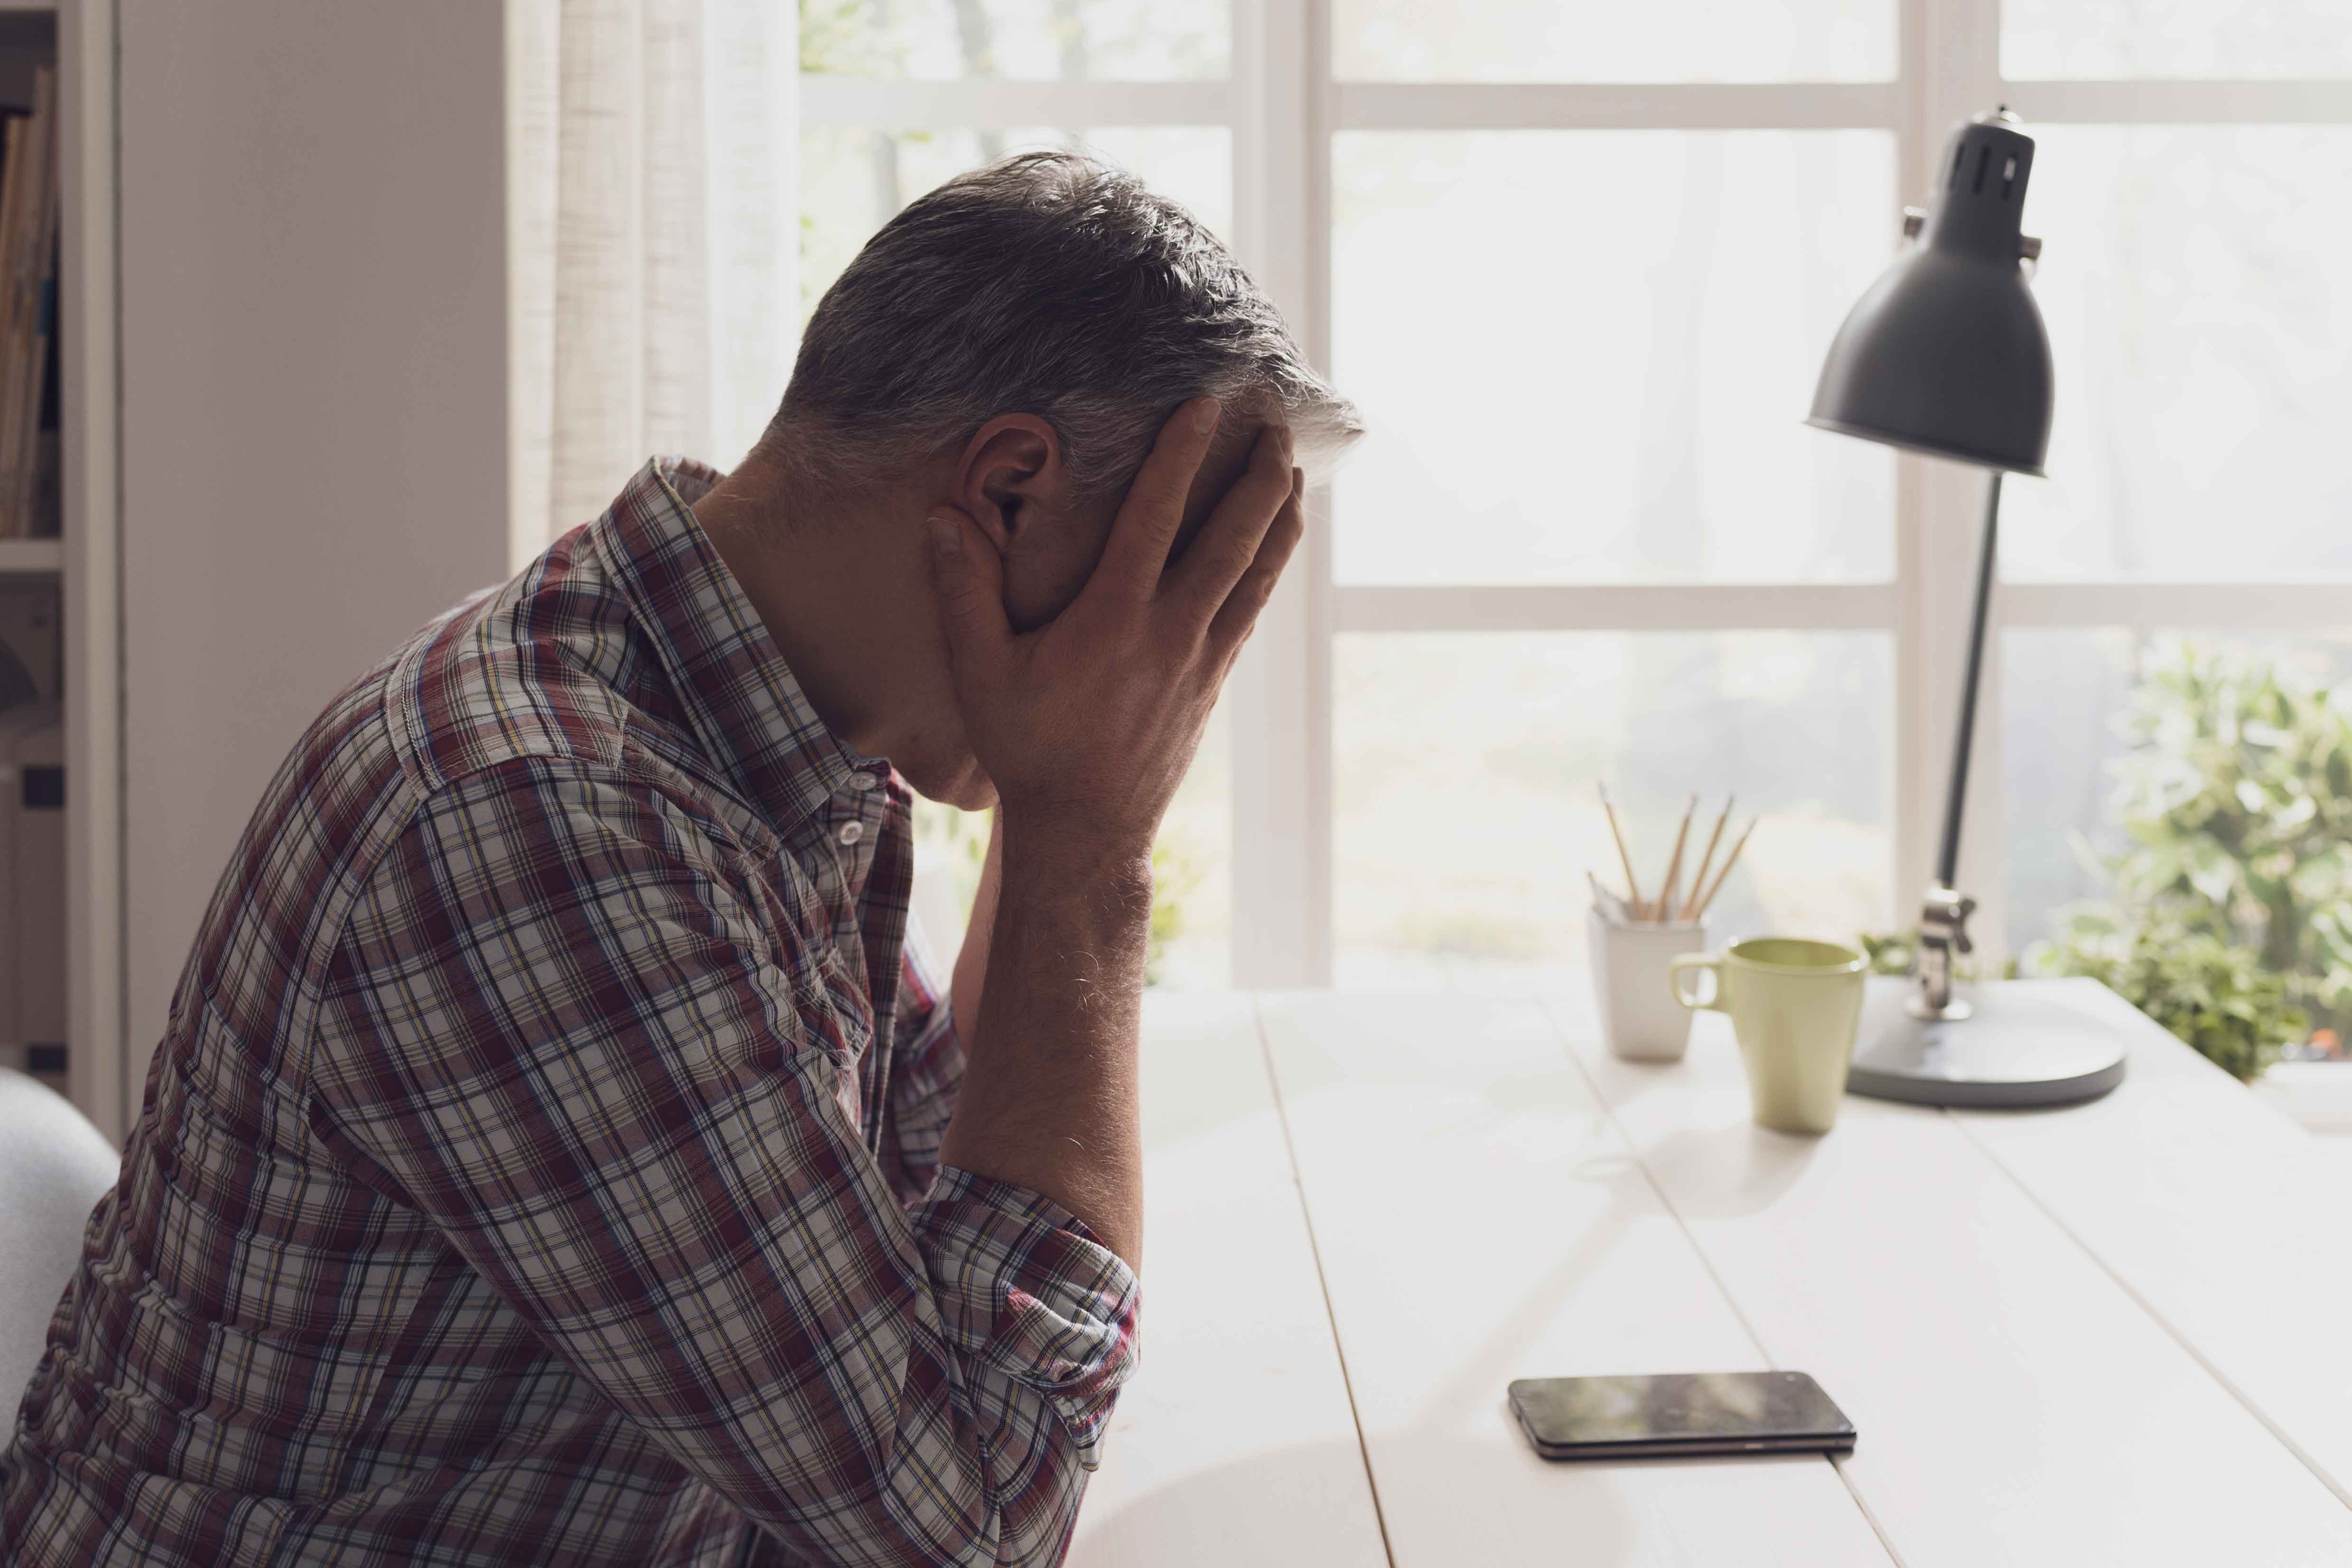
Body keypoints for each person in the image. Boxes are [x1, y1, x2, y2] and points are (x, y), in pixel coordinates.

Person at [2, 152, 1362, 1567]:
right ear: (1011, 488)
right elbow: (965, 1528)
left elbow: (925, 1268)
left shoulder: (758, 732)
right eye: (1188, 571)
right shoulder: (542, 831)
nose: (1186, 654)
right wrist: (1089, 834)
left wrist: (1055, 798)